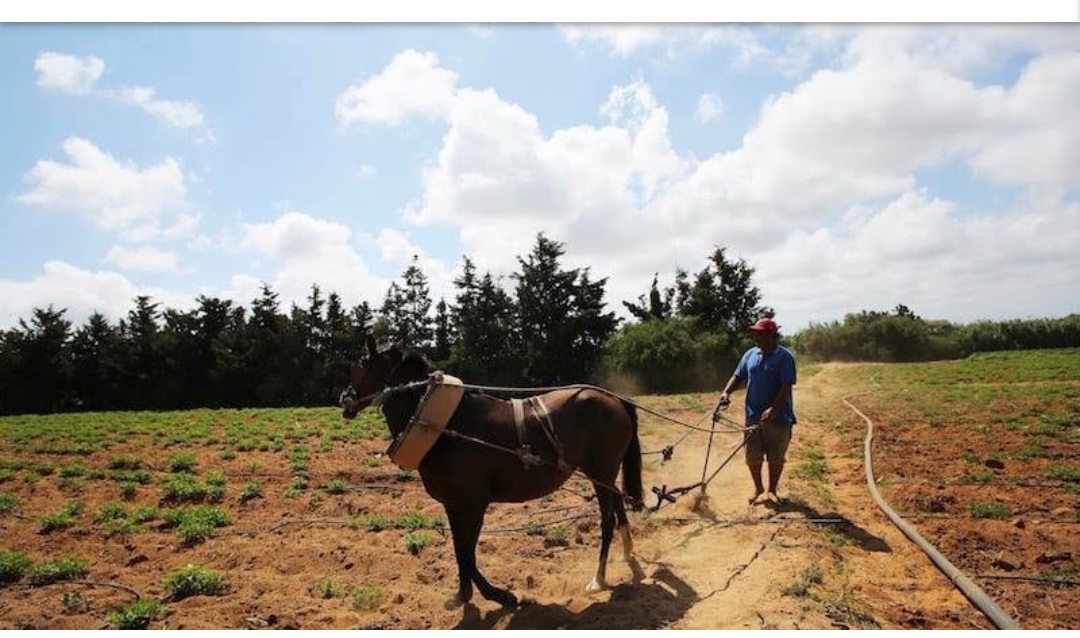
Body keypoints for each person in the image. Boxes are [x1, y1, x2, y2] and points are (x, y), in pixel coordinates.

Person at [716, 317, 797, 505]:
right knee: (752, 455)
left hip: (778, 418)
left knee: (776, 456)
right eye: (754, 333)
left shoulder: (784, 357)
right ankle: (758, 487)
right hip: (753, 415)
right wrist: (726, 392)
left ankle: (771, 490)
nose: (755, 336)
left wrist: (773, 409)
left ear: (771, 335)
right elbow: (738, 375)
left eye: (760, 333)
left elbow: (786, 388)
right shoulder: (750, 354)